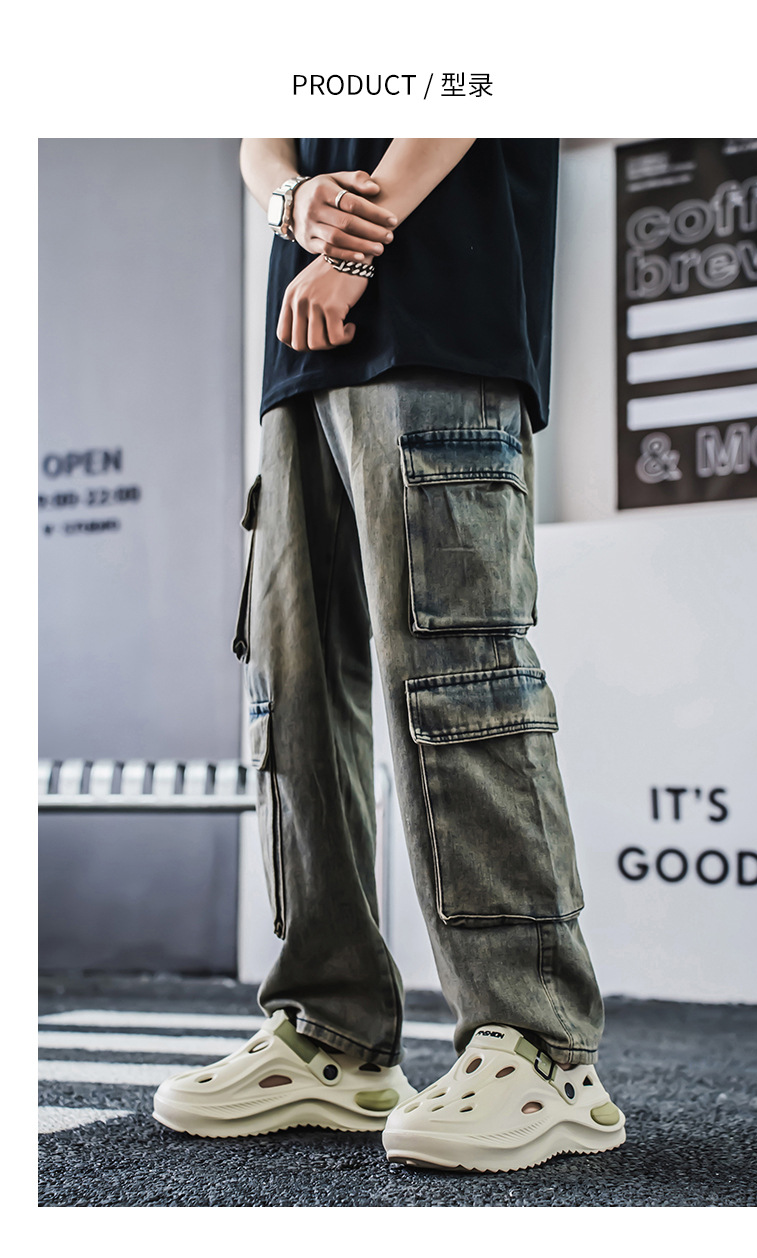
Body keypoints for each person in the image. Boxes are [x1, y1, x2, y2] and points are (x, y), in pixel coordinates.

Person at [152, 139, 626, 1173]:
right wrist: (292, 200)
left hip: (437, 318)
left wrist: (350, 249)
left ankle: (541, 1048)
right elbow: (261, 132)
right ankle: (333, 1035)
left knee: (457, 679)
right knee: (293, 691)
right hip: (300, 356)